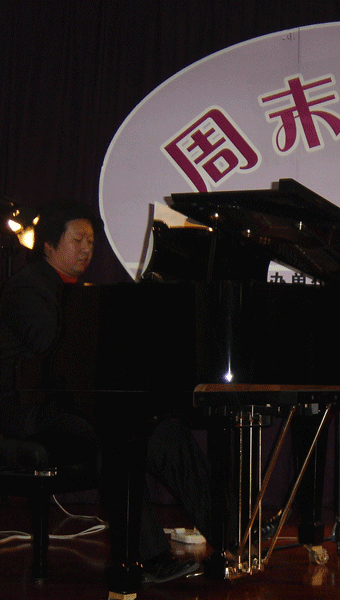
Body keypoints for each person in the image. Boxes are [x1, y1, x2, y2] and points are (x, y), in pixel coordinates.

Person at [0, 201, 218, 585]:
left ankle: (232, 531)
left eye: (91, 241)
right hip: (29, 407)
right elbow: (51, 353)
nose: (87, 248)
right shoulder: (27, 287)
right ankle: (147, 558)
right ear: (49, 244)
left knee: (166, 432)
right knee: (115, 435)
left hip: (75, 402)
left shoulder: (81, 291)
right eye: (78, 240)